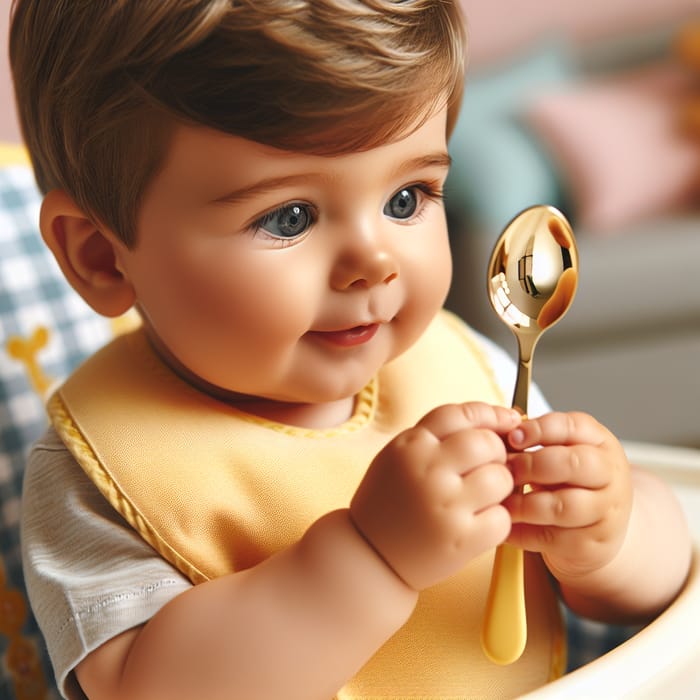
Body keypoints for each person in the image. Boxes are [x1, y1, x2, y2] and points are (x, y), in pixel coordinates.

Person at [10, 1, 691, 699]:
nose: (375, 261)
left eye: (406, 198)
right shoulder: (101, 470)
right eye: (289, 217)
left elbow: (656, 586)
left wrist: (614, 533)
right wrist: (370, 557)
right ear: (100, 257)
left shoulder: (465, 368)